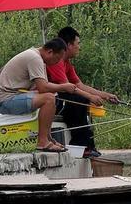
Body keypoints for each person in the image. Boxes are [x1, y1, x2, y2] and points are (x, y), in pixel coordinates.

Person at [46, 26, 119, 158]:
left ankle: (88, 146)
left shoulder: (67, 63)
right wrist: (90, 97)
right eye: (78, 44)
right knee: (79, 101)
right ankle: (80, 145)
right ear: (68, 45)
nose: (79, 47)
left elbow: (79, 85)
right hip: (51, 101)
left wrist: (105, 95)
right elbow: (66, 87)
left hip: (60, 98)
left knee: (82, 99)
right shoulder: (56, 61)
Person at [0, 38, 77, 152]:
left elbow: (42, 87)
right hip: (6, 100)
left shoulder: (39, 59)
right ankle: (42, 141)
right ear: (50, 52)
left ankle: (48, 138)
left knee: (51, 96)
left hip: (15, 96)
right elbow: (43, 87)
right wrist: (64, 86)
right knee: (48, 99)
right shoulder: (34, 58)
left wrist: (58, 89)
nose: (57, 62)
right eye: (57, 59)